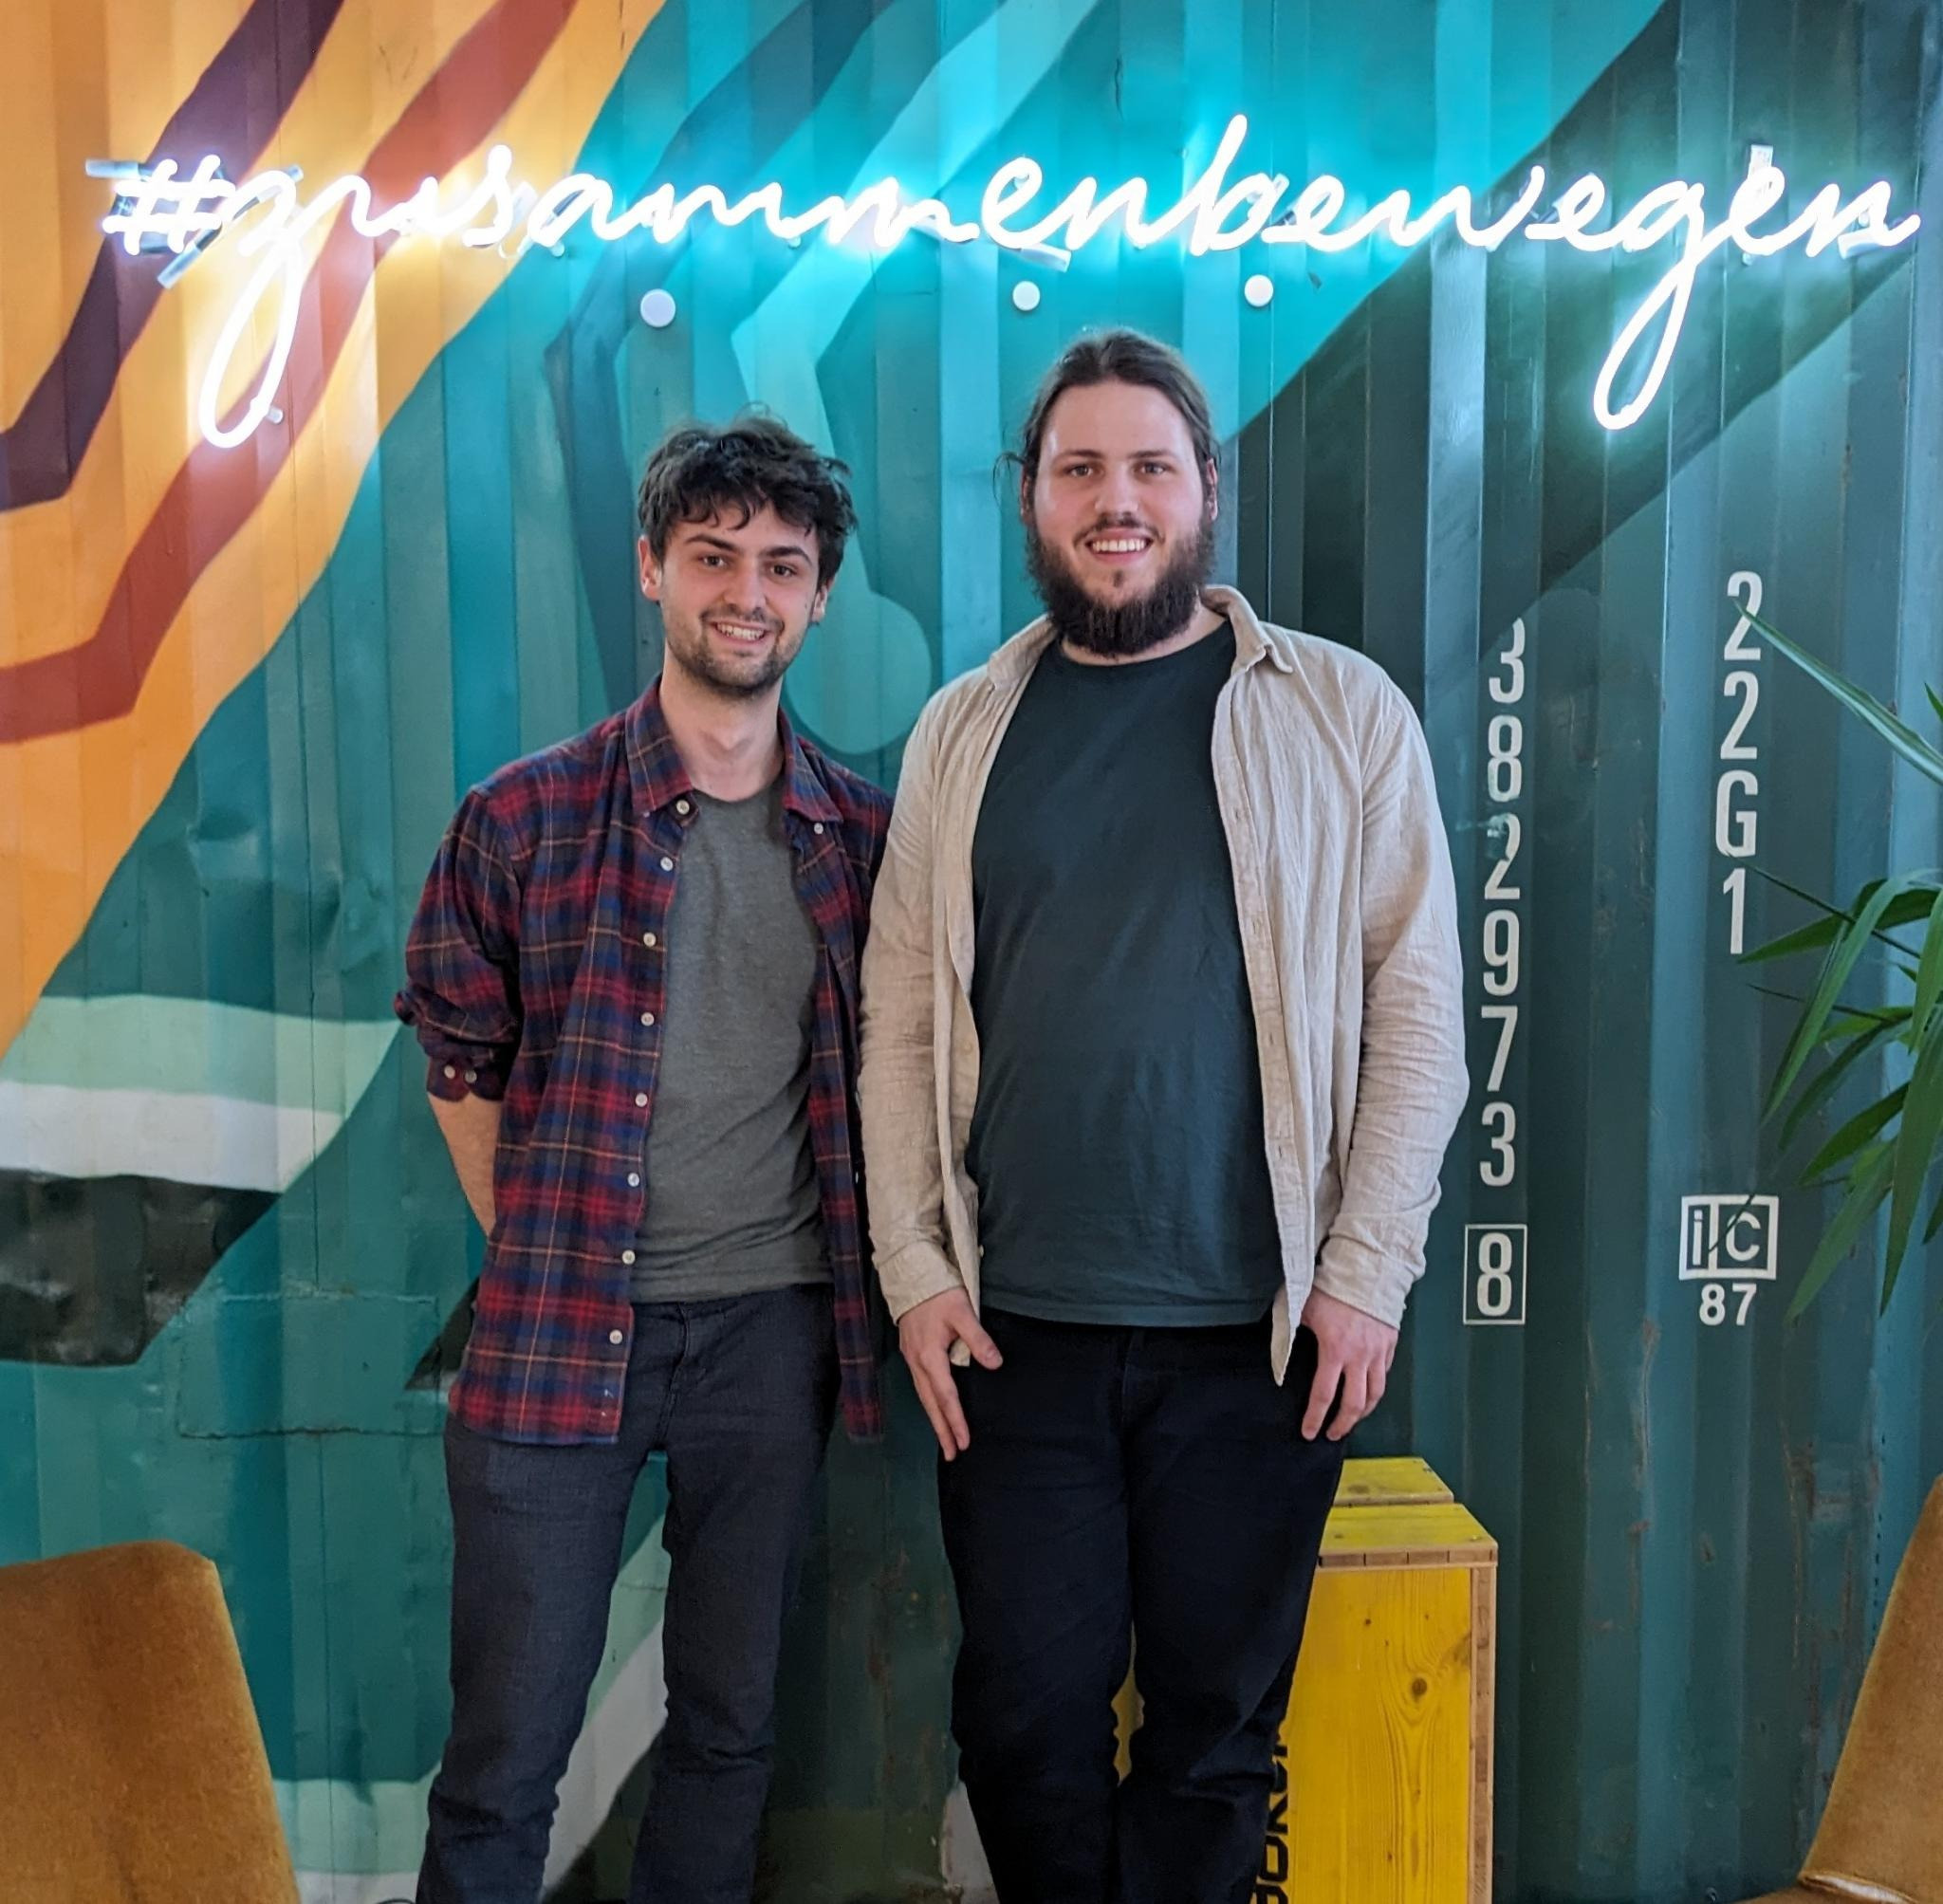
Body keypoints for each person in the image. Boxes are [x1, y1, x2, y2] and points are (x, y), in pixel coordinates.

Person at [859, 328, 1468, 1903]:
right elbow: (901, 1020)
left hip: (1259, 1342)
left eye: (1149, 466)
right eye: (1080, 469)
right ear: (1031, 497)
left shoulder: (1341, 714)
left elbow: (1418, 1014)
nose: (1114, 499)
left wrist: (1366, 1274)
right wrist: (915, 1273)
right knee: (1023, 1729)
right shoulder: (960, 732)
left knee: (1213, 1741)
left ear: (1207, 488)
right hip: (1016, 1339)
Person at [397, 415, 891, 1904]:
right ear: (652, 570)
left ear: (820, 597)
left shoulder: (865, 838)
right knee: (505, 1756)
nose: (748, 591)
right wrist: (540, 1242)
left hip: (774, 1335)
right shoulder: (524, 817)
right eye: (714, 556)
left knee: (730, 1731)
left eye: (783, 566)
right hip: (562, 1331)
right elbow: (457, 1052)